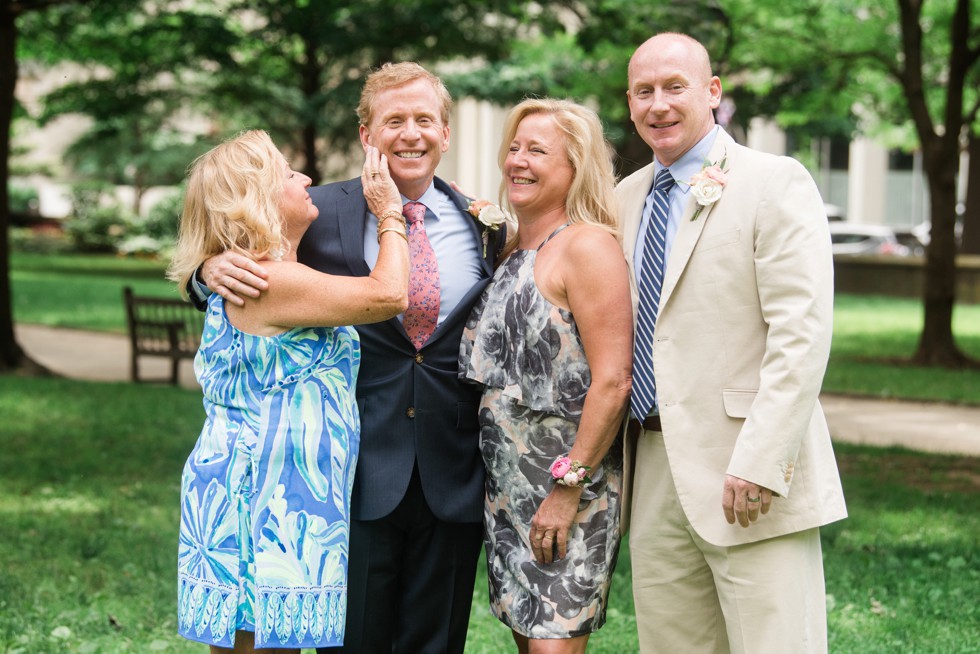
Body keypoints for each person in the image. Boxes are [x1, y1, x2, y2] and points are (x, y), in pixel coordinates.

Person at [192, 63, 504, 654]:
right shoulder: (312, 209)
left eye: (424, 120)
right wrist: (206, 272)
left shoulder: (483, 222)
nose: (410, 133)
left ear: (444, 131)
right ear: (367, 135)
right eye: (394, 121)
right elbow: (243, 253)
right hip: (346, 475)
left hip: (452, 466)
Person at [618, 33, 847, 653]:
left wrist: (760, 458)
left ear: (713, 93)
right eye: (644, 91)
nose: (658, 104)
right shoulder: (623, 199)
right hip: (653, 466)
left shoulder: (774, 181)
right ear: (630, 104)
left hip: (746, 464)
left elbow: (801, 332)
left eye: (675, 87)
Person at [168, 130, 409, 652]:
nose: (306, 178)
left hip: (286, 496)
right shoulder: (268, 282)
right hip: (261, 495)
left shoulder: (266, 274)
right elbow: (390, 294)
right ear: (254, 197)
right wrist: (393, 214)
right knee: (257, 644)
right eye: (287, 172)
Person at [459, 98, 633, 653]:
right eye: (514, 148)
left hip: (566, 492)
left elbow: (614, 380)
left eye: (537, 150)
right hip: (506, 490)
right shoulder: (511, 246)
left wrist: (566, 487)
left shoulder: (588, 247)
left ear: (575, 167)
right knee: (526, 641)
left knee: (553, 645)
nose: (519, 161)